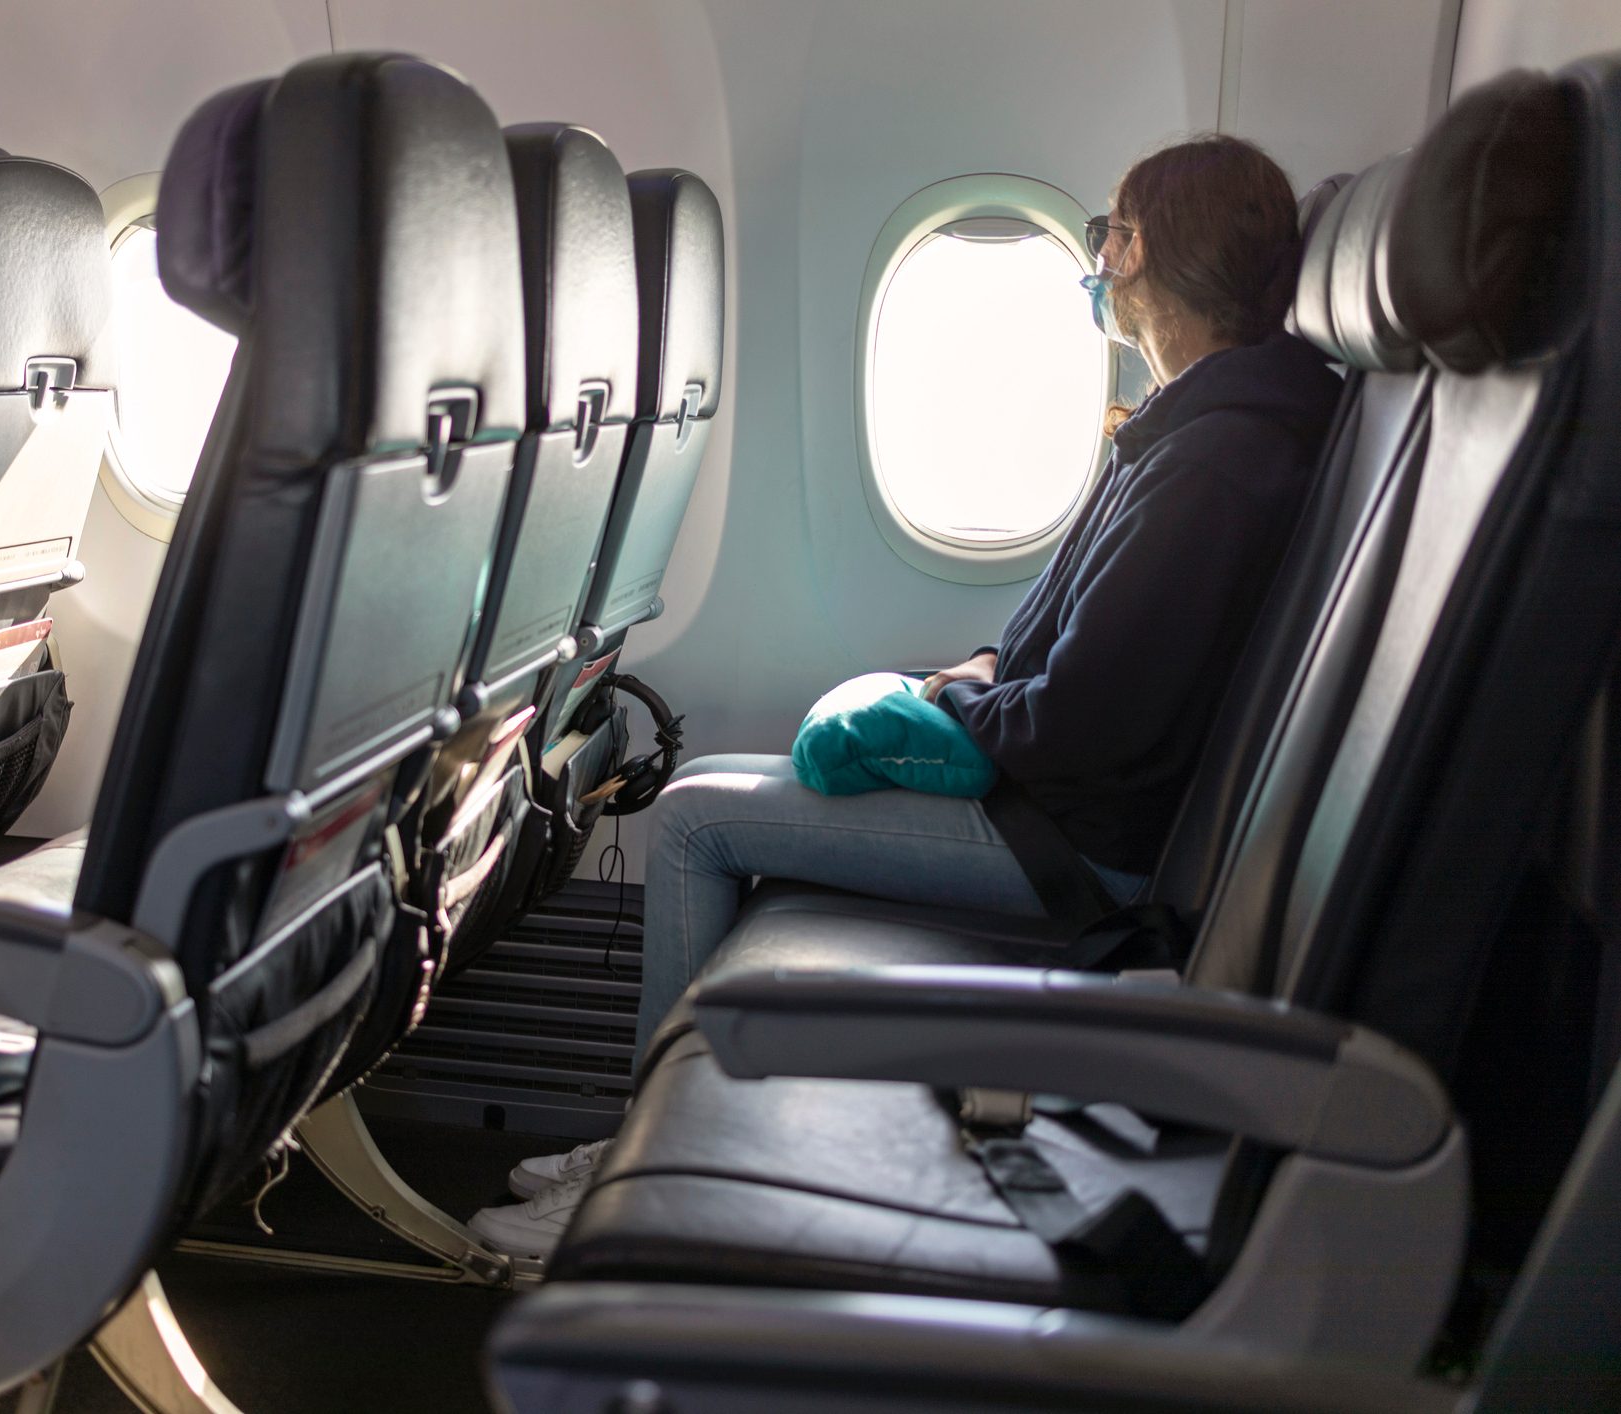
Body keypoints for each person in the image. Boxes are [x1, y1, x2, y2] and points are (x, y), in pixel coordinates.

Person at [468, 134, 1346, 1257]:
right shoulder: (1189, 433)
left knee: (690, 818)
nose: (1098, 259)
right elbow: (1072, 655)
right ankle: (644, 1141)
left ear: (1149, 253)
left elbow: (1085, 718)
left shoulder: (1214, 464)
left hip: (1078, 845)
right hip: (1059, 802)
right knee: (718, 789)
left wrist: (955, 701)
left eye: (1110, 232)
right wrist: (978, 671)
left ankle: (633, 1177)